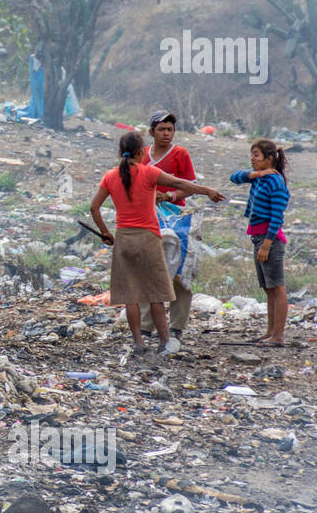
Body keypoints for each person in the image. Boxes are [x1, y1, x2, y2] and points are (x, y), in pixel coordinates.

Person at [91, 131, 225, 355]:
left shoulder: (110, 176)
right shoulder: (149, 172)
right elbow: (180, 183)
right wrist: (207, 191)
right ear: (140, 152)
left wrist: (105, 233)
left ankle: (139, 343)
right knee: (155, 295)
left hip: (124, 238)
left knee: (130, 297)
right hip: (149, 238)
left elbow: (94, 208)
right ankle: (164, 342)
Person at [141, 110, 198, 341]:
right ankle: (146, 325)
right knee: (148, 270)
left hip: (176, 218)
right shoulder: (142, 154)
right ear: (151, 132)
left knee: (178, 269)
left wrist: (170, 196)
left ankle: (177, 325)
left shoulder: (180, 154)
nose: (167, 134)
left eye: (170, 130)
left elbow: (190, 186)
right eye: (162, 129)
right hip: (148, 217)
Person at [230, 140, 290, 346]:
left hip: (269, 240)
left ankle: (278, 336)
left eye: (256, 155)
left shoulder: (275, 182)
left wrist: (266, 244)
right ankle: (270, 332)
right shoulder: (259, 178)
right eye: (252, 155)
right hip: (258, 236)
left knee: (277, 287)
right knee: (268, 288)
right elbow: (234, 177)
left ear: (269, 159)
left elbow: (277, 217)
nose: (252, 159)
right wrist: (255, 174)